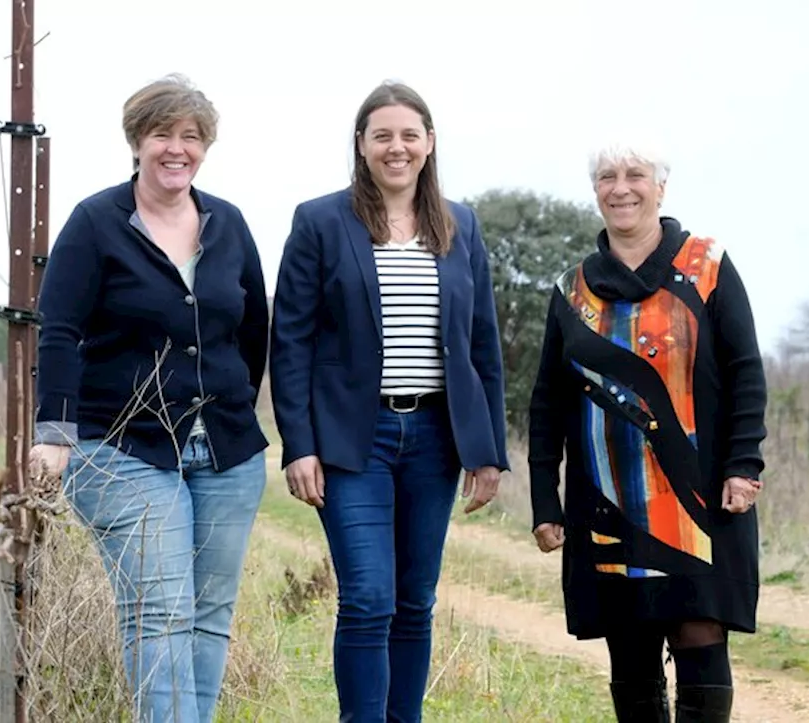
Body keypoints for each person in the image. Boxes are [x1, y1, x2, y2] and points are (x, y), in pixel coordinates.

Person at [28, 74, 269, 722]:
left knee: (209, 616)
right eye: (163, 133)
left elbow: (253, 330)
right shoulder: (96, 224)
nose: (176, 148)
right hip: (121, 447)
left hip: (226, 451)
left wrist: (235, 405)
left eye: (191, 136)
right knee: (160, 610)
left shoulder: (229, 224)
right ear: (137, 140)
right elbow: (59, 331)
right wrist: (54, 433)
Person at [269, 80, 509, 722]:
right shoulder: (320, 221)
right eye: (382, 135)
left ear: (429, 144)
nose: (396, 148)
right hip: (354, 442)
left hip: (436, 440)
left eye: (409, 135)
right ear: (361, 145)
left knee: (413, 602)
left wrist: (488, 452)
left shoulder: (461, 225)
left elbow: (480, 344)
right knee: (369, 597)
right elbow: (289, 341)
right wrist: (300, 445)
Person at [528, 142, 767, 722]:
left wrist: (744, 464)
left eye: (636, 174)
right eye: (607, 177)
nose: (621, 187)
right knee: (629, 651)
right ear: (596, 192)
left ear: (661, 187)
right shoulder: (571, 289)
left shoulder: (706, 266)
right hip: (606, 502)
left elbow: (745, 372)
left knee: (700, 633)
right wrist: (545, 501)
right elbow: (547, 401)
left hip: (700, 497)